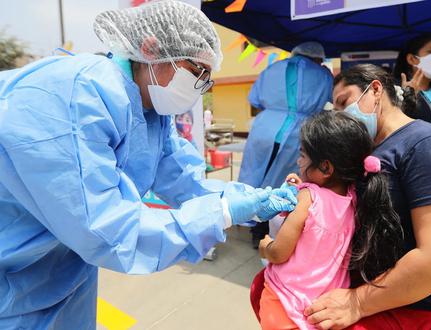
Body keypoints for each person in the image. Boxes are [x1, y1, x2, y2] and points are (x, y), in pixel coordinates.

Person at [0, 1, 296, 328]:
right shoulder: (77, 96)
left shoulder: (151, 107)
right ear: (151, 48)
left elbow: (182, 179)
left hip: (65, 266)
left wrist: (247, 199)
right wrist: (222, 213)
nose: (200, 87)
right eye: (196, 72)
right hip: (15, 276)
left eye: (207, 80)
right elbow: (104, 228)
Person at [299, 64, 431, 329]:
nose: (343, 116)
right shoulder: (368, 150)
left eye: (345, 102)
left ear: (376, 89)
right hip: (369, 286)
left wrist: (358, 302)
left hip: (419, 303)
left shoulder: (430, 145)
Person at [255, 111, 403, 330]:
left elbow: (279, 253)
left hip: (285, 303)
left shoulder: (308, 196)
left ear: (325, 167)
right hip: (323, 310)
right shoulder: (354, 199)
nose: (298, 160)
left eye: (303, 155)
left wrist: (265, 247)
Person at [239, 41, 333, 248]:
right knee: (283, 183)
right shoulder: (324, 75)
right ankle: (268, 230)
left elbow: (255, 99)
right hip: (297, 132)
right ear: (318, 58)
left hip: (264, 128)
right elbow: (330, 101)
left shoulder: (271, 68)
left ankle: (249, 221)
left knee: (253, 176)